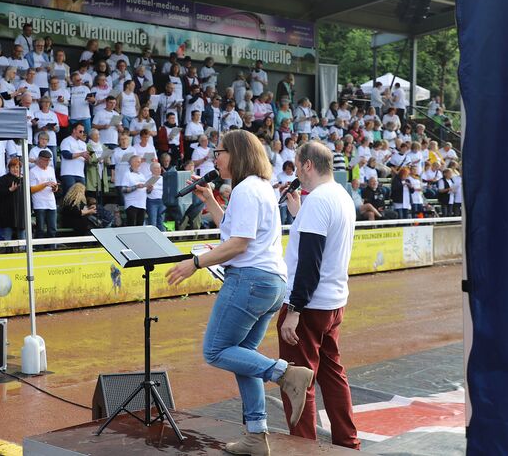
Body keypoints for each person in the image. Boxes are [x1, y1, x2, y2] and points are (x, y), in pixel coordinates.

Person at [166, 130, 313, 456]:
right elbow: (236, 231)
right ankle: (256, 436)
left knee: (216, 351)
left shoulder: (247, 190)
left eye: (219, 151)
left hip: (250, 281)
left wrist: (195, 262)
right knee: (243, 357)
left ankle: (286, 373)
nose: (215, 158)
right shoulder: (257, 187)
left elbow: (238, 244)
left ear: (236, 154)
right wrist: (211, 202)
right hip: (270, 283)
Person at [277, 141, 361, 450]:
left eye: (297, 164)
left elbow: (310, 262)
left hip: (309, 305)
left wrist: (294, 309)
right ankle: (348, 441)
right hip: (333, 301)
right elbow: (322, 246)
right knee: (332, 373)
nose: (295, 170)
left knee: (297, 381)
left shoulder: (318, 202)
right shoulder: (340, 196)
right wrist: (299, 213)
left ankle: (302, 447)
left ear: (308, 165)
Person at [30, 150, 59, 239]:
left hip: (51, 202)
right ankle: (40, 249)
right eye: (45, 160)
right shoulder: (33, 171)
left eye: (48, 160)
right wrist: (45, 184)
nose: (47, 162)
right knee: (40, 229)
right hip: (40, 203)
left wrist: (55, 187)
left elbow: (55, 186)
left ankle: (52, 248)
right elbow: (31, 189)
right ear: (39, 159)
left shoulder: (51, 170)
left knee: (52, 228)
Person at [0, 157, 26, 241]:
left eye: (17, 167)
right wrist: (10, 190)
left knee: (22, 239)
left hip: (21, 214)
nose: (15, 169)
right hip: (7, 214)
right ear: (9, 168)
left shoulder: (24, 180)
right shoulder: (3, 179)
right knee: (7, 239)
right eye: (13, 167)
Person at [59, 122, 89, 193]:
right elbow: (66, 155)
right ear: (74, 130)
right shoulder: (66, 141)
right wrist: (81, 154)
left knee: (80, 197)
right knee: (70, 197)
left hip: (80, 174)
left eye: (83, 131)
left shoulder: (83, 144)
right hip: (68, 173)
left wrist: (87, 158)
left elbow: (84, 159)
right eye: (80, 131)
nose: (82, 133)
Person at [121, 155, 148, 226]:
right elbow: (123, 190)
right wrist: (136, 186)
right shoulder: (127, 174)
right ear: (132, 163)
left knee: (140, 226)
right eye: (138, 162)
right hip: (132, 204)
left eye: (140, 162)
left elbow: (146, 191)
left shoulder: (142, 175)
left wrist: (150, 189)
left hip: (142, 204)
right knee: (131, 226)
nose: (139, 163)